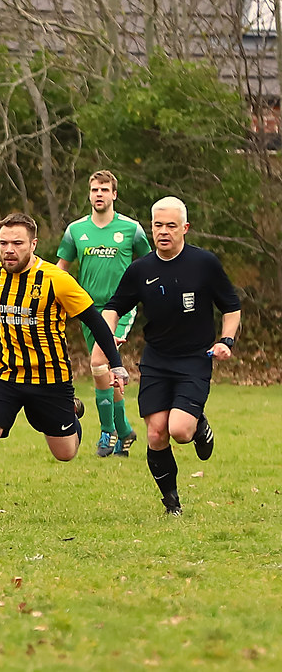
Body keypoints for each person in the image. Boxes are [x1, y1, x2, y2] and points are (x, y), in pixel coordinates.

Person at [0, 212, 128, 524]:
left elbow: (94, 318)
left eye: (17, 243)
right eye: (3, 243)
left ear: (33, 244)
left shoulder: (57, 280)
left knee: (64, 453)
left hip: (49, 379)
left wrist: (116, 366)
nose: (8, 249)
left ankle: (71, 410)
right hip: (3, 373)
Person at [94, 196, 241, 516]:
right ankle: (171, 501)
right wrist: (109, 335)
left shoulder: (204, 264)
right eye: (158, 225)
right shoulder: (141, 269)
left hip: (194, 358)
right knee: (156, 432)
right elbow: (114, 307)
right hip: (157, 359)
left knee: (180, 430)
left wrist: (226, 340)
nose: (163, 231)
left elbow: (231, 306)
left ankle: (198, 422)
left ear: (185, 228)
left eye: (171, 225)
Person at [56, 170, 151, 457]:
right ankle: (125, 432)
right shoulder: (76, 231)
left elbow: (149, 265)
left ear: (114, 194)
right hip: (88, 309)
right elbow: (61, 269)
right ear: (89, 194)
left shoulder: (131, 229)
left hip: (120, 308)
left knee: (98, 363)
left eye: (104, 189)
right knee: (108, 372)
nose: (99, 194)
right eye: (94, 189)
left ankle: (107, 432)